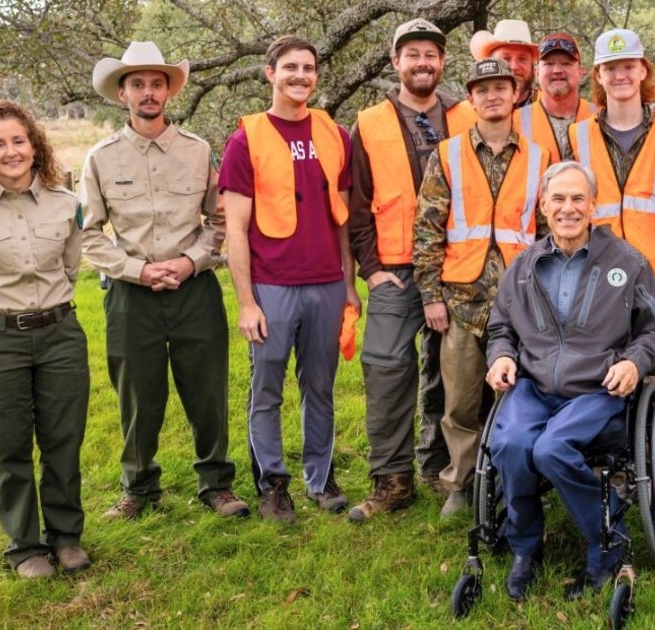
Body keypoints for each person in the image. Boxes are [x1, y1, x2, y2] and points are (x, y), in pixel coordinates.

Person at [485, 161, 655, 601]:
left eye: (577, 199)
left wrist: (634, 363)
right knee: (510, 443)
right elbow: (501, 328)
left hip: (597, 389)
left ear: (593, 206)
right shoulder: (524, 266)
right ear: (543, 205)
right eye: (558, 199)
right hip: (534, 387)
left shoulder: (627, 263)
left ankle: (608, 545)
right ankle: (524, 548)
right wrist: (501, 357)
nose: (567, 208)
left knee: (551, 449)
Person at [82, 41, 248, 520]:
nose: (148, 92)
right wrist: (138, 270)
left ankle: (217, 484)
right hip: (130, 296)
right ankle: (138, 489)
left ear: (169, 92)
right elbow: (88, 234)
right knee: (138, 395)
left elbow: (220, 220)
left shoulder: (198, 152)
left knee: (207, 391)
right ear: (122, 94)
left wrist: (191, 262)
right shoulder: (101, 158)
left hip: (194, 291)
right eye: (138, 84)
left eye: (157, 84)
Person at [220, 35, 359, 523]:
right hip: (272, 286)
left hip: (326, 283)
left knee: (320, 386)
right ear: (270, 73)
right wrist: (246, 302)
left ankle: (321, 479)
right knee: (268, 389)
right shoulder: (246, 140)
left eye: (308, 68)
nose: (300, 76)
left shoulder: (334, 135)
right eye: (290, 67)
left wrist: (348, 284)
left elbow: (342, 220)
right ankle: (273, 484)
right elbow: (235, 230)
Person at [346, 19, 476, 522]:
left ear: (442, 62)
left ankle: (446, 468)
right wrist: (371, 268)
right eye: (413, 54)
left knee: (457, 371)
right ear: (395, 61)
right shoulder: (369, 122)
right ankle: (392, 479)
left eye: (431, 54)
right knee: (386, 369)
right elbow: (358, 204)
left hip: (458, 263)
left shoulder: (468, 115)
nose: (422, 63)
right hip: (395, 269)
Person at [0, 101, 91, 577]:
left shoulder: (65, 203)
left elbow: (70, 267)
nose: (11, 151)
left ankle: (66, 537)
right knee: (7, 448)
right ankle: (25, 547)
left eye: (19, 140)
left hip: (60, 336)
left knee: (63, 441)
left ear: (34, 145)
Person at [413, 59, 551, 518]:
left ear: (516, 95)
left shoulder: (539, 158)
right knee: (460, 402)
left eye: (500, 88)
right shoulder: (447, 154)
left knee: (518, 398)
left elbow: (548, 232)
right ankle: (460, 482)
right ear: (470, 99)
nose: (492, 96)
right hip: (461, 301)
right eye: (482, 89)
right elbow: (427, 228)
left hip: (520, 302)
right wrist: (431, 295)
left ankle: (515, 481)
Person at [568, 29, 655, 318]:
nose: (620, 76)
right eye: (611, 68)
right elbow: (566, 216)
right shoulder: (578, 137)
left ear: (642, 71)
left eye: (628, 66)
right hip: (595, 284)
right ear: (598, 75)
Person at [513, 32, 594, 161]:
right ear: (537, 72)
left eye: (566, 63)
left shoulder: (602, 118)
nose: (557, 70)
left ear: (580, 72)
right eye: (549, 64)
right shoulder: (515, 122)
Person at [470, 19, 539, 107]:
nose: (514, 67)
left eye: (522, 59)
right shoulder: (467, 111)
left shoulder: (550, 108)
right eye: (506, 59)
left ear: (533, 68)